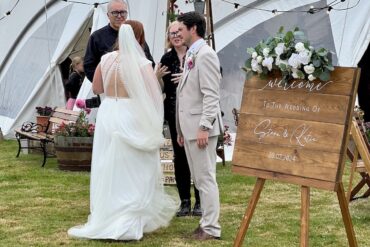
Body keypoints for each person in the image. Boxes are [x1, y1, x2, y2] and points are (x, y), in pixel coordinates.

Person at [68, 24, 177, 241]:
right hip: (131, 113)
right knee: (136, 165)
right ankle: (129, 219)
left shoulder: (106, 60)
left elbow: (97, 88)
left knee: (108, 163)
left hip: (109, 112)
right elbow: (154, 93)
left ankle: (109, 214)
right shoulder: (142, 62)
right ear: (140, 37)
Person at [176, 12, 223, 240]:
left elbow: (211, 95)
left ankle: (211, 228)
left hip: (201, 128)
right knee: (200, 178)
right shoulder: (192, 54)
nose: (177, 34)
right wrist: (181, 129)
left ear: (193, 28)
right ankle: (205, 223)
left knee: (205, 179)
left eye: (181, 29)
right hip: (190, 129)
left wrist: (204, 126)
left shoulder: (205, 55)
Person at [157, 21, 201, 217]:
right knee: (180, 158)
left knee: (197, 159)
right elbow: (160, 89)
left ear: (186, 32)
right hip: (174, 114)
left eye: (178, 32)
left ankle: (200, 201)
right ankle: (185, 201)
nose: (175, 35)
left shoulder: (198, 53)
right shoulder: (167, 58)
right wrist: (156, 77)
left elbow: (215, 76)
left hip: (194, 113)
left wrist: (188, 76)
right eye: (171, 33)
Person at [83, 0, 154, 82]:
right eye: (115, 12)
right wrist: (105, 85)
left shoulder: (135, 35)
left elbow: (149, 62)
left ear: (127, 14)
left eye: (123, 12)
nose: (119, 16)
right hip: (109, 90)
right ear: (108, 15)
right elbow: (89, 67)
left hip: (135, 88)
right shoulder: (97, 37)